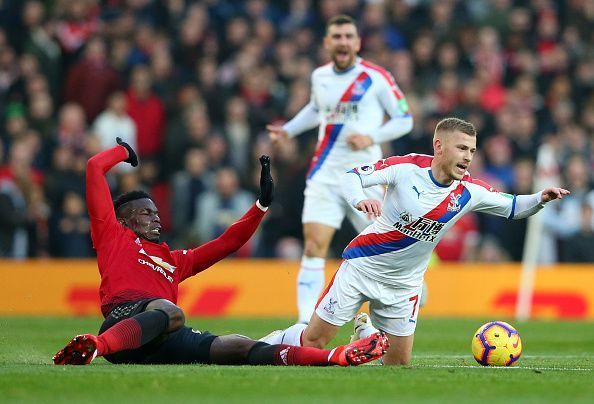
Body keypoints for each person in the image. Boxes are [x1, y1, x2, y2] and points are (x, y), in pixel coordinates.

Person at [52, 138, 388, 367]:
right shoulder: (113, 236)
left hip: (162, 339)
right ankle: (95, 346)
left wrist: (260, 205)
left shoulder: (173, 260)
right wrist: (124, 152)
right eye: (145, 212)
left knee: (238, 345)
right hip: (124, 322)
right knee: (172, 311)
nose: (154, 217)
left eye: (156, 212)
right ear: (123, 220)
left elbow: (227, 243)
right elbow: (95, 168)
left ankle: (337, 357)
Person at [261, 117, 569, 365]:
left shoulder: (470, 192)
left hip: (405, 286)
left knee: (396, 366)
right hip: (361, 269)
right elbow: (351, 176)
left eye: (472, 151)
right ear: (439, 146)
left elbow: (513, 207)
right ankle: (270, 343)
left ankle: (364, 332)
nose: (468, 157)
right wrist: (358, 200)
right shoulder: (407, 167)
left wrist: (541, 198)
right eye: (462, 148)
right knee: (312, 343)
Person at [267, 15, 413, 324]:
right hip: (325, 175)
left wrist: (371, 136)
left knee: (382, 246)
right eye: (337, 36)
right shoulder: (320, 76)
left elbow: (405, 119)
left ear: (358, 42)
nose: (343, 41)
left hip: (366, 176)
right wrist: (289, 130)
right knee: (313, 245)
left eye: (349, 36)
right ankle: (306, 325)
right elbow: (316, 109)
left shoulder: (376, 77)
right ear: (327, 43)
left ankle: (404, 294)